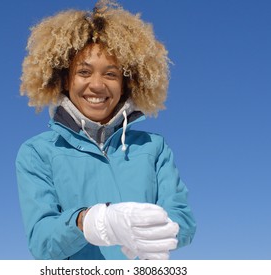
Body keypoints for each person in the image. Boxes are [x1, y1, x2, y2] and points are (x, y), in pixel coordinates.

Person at [16, 0, 196, 260]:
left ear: (126, 83)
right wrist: (89, 221)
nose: (97, 85)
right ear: (66, 79)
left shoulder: (154, 148)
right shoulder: (37, 152)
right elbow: (42, 242)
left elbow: (185, 221)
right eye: (84, 72)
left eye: (111, 74)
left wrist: (159, 228)